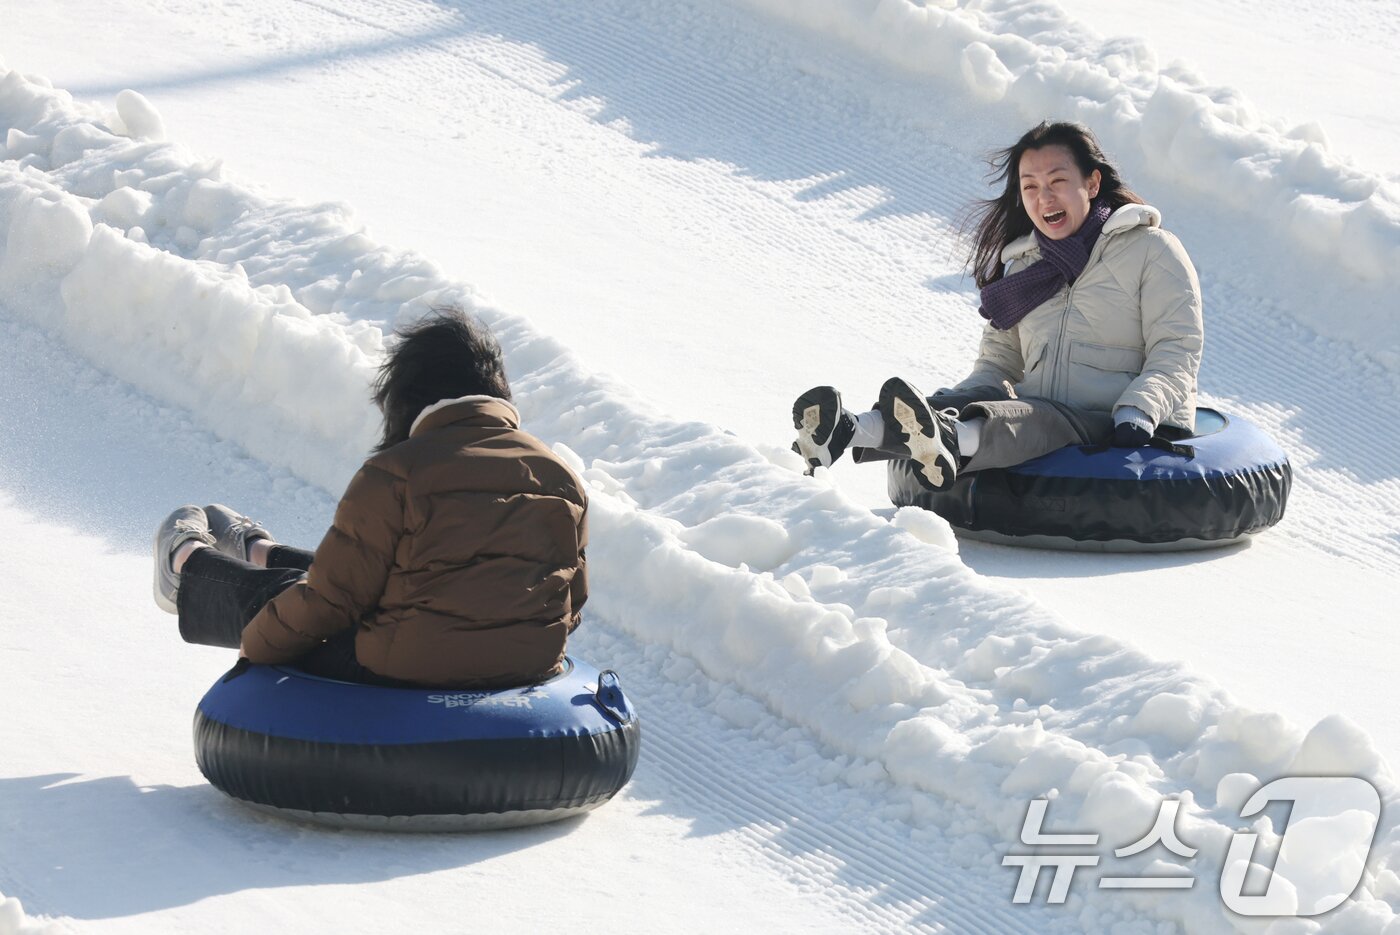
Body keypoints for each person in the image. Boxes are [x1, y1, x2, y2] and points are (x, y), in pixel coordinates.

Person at [151, 307, 588, 689]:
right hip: (524, 670)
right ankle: (261, 550)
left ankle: (186, 565)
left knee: (296, 596)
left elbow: (329, 603)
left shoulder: (397, 473)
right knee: (388, 575)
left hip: (405, 671)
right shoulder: (561, 475)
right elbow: (572, 601)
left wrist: (254, 647)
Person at [792, 121, 1203, 491]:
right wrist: (954, 400)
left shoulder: (1151, 249)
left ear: (1092, 184)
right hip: (1046, 411)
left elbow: (1177, 348)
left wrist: (1138, 409)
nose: (1044, 198)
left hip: (1117, 423)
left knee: (1035, 417)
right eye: (1030, 187)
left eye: (1057, 181)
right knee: (970, 402)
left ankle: (951, 440)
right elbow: (999, 363)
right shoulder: (1024, 265)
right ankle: (850, 430)